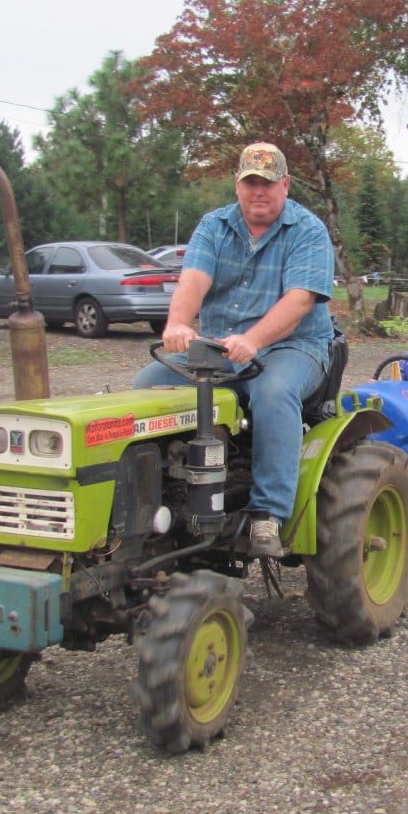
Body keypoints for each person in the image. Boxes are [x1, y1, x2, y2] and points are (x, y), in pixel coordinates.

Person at [132, 142, 335, 559]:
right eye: (250, 182)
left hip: (292, 345)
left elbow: (299, 301)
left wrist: (254, 340)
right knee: (148, 385)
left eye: (267, 182)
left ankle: (269, 513)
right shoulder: (215, 226)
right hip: (219, 348)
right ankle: (153, 500)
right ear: (237, 185)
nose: (258, 191)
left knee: (273, 392)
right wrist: (177, 324)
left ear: (285, 183)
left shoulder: (308, 230)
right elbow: (192, 281)